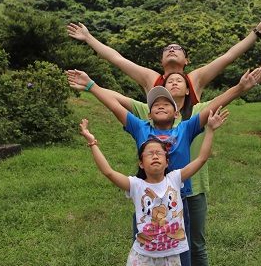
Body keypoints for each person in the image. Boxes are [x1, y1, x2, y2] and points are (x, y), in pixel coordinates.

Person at [67, 62, 261, 266]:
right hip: (146, 199)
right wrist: (89, 84)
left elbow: (213, 107)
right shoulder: (140, 128)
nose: (160, 105)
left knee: (181, 252)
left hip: (177, 200)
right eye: (155, 104)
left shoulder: (185, 129)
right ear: (149, 114)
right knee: (145, 248)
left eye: (166, 104)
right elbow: (114, 105)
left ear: (176, 113)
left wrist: (241, 87)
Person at [78, 105, 227, 266]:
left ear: (167, 161)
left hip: (172, 256)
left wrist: (210, 129)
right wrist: (92, 142)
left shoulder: (175, 179)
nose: (155, 156)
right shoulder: (136, 185)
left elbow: (201, 159)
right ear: (141, 163)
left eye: (159, 153)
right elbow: (108, 172)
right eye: (149, 153)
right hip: (142, 257)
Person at [66, 15, 261, 104]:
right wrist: (88, 37)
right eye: (167, 49)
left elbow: (229, 56)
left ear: (186, 60)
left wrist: (256, 33)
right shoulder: (151, 78)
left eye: (177, 48)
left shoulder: (195, 79)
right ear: (161, 62)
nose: (171, 50)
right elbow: (116, 58)